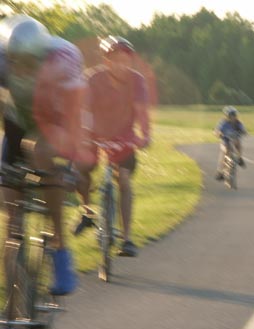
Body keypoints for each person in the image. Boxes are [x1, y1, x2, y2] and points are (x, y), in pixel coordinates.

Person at [0, 15, 86, 296]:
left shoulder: (65, 59)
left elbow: (74, 119)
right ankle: (13, 304)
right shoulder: (1, 62)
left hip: (55, 118)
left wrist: (70, 165)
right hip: (17, 119)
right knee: (10, 213)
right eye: (16, 64)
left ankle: (61, 248)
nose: (21, 71)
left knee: (38, 150)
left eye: (29, 65)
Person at [73, 35, 151, 257]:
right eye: (115, 59)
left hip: (124, 135)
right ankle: (87, 213)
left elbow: (142, 112)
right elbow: (83, 109)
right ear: (106, 61)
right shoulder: (92, 78)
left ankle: (126, 240)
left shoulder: (137, 81)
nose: (121, 65)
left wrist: (144, 135)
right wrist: (84, 134)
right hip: (94, 132)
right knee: (81, 171)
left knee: (123, 179)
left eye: (126, 60)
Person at [214, 105, 247, 181]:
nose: (233, 117)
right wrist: (218, 133)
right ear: (227, 116)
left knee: (238, 144)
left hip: (235, 139)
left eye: (234, 115)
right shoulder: (223, 123)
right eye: (231, 115)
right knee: (226, 151)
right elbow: (217, 130)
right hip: (225, 140)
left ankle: (239, 158)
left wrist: (244, 132)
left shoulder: (238, 123)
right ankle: (220, 172)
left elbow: (243, 130)